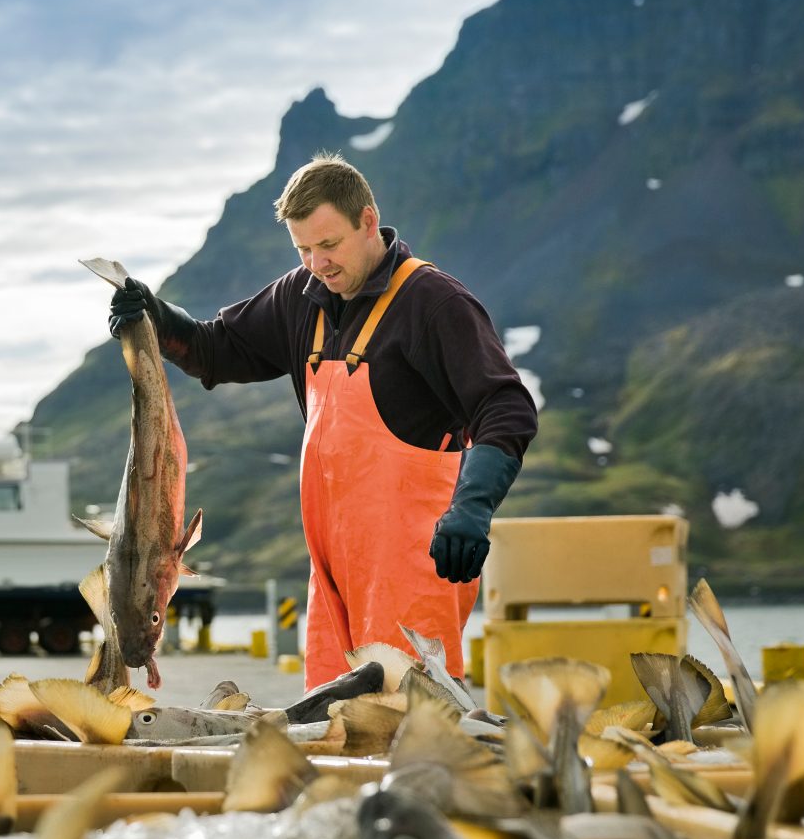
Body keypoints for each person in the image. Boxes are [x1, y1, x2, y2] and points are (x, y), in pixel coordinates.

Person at [107, 153, 536, 685]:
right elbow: (213, 349)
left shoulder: (434, 303)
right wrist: (153, 315)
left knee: (407, 725)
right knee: (331, 732)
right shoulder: (300, 297)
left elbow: (506, 406)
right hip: (331, 575)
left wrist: (472, 509)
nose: (317, 263)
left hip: (413, 568)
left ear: (368, 221)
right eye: (303, 249)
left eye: (328, 245)